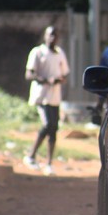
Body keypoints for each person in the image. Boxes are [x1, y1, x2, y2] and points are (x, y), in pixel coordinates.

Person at [24, 26, 70, 176]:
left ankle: (49, 163)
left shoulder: (59, 53)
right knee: (47, 124)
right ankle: (31, 155)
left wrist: (58, 80)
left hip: (54, 97)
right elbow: (29, 74)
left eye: (55, 35)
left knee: (54, 128)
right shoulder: (37, 52)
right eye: (50, 35)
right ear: (45, 36)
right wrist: (44, 80)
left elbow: (64, 74)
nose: (52, 38)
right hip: (41, 96)